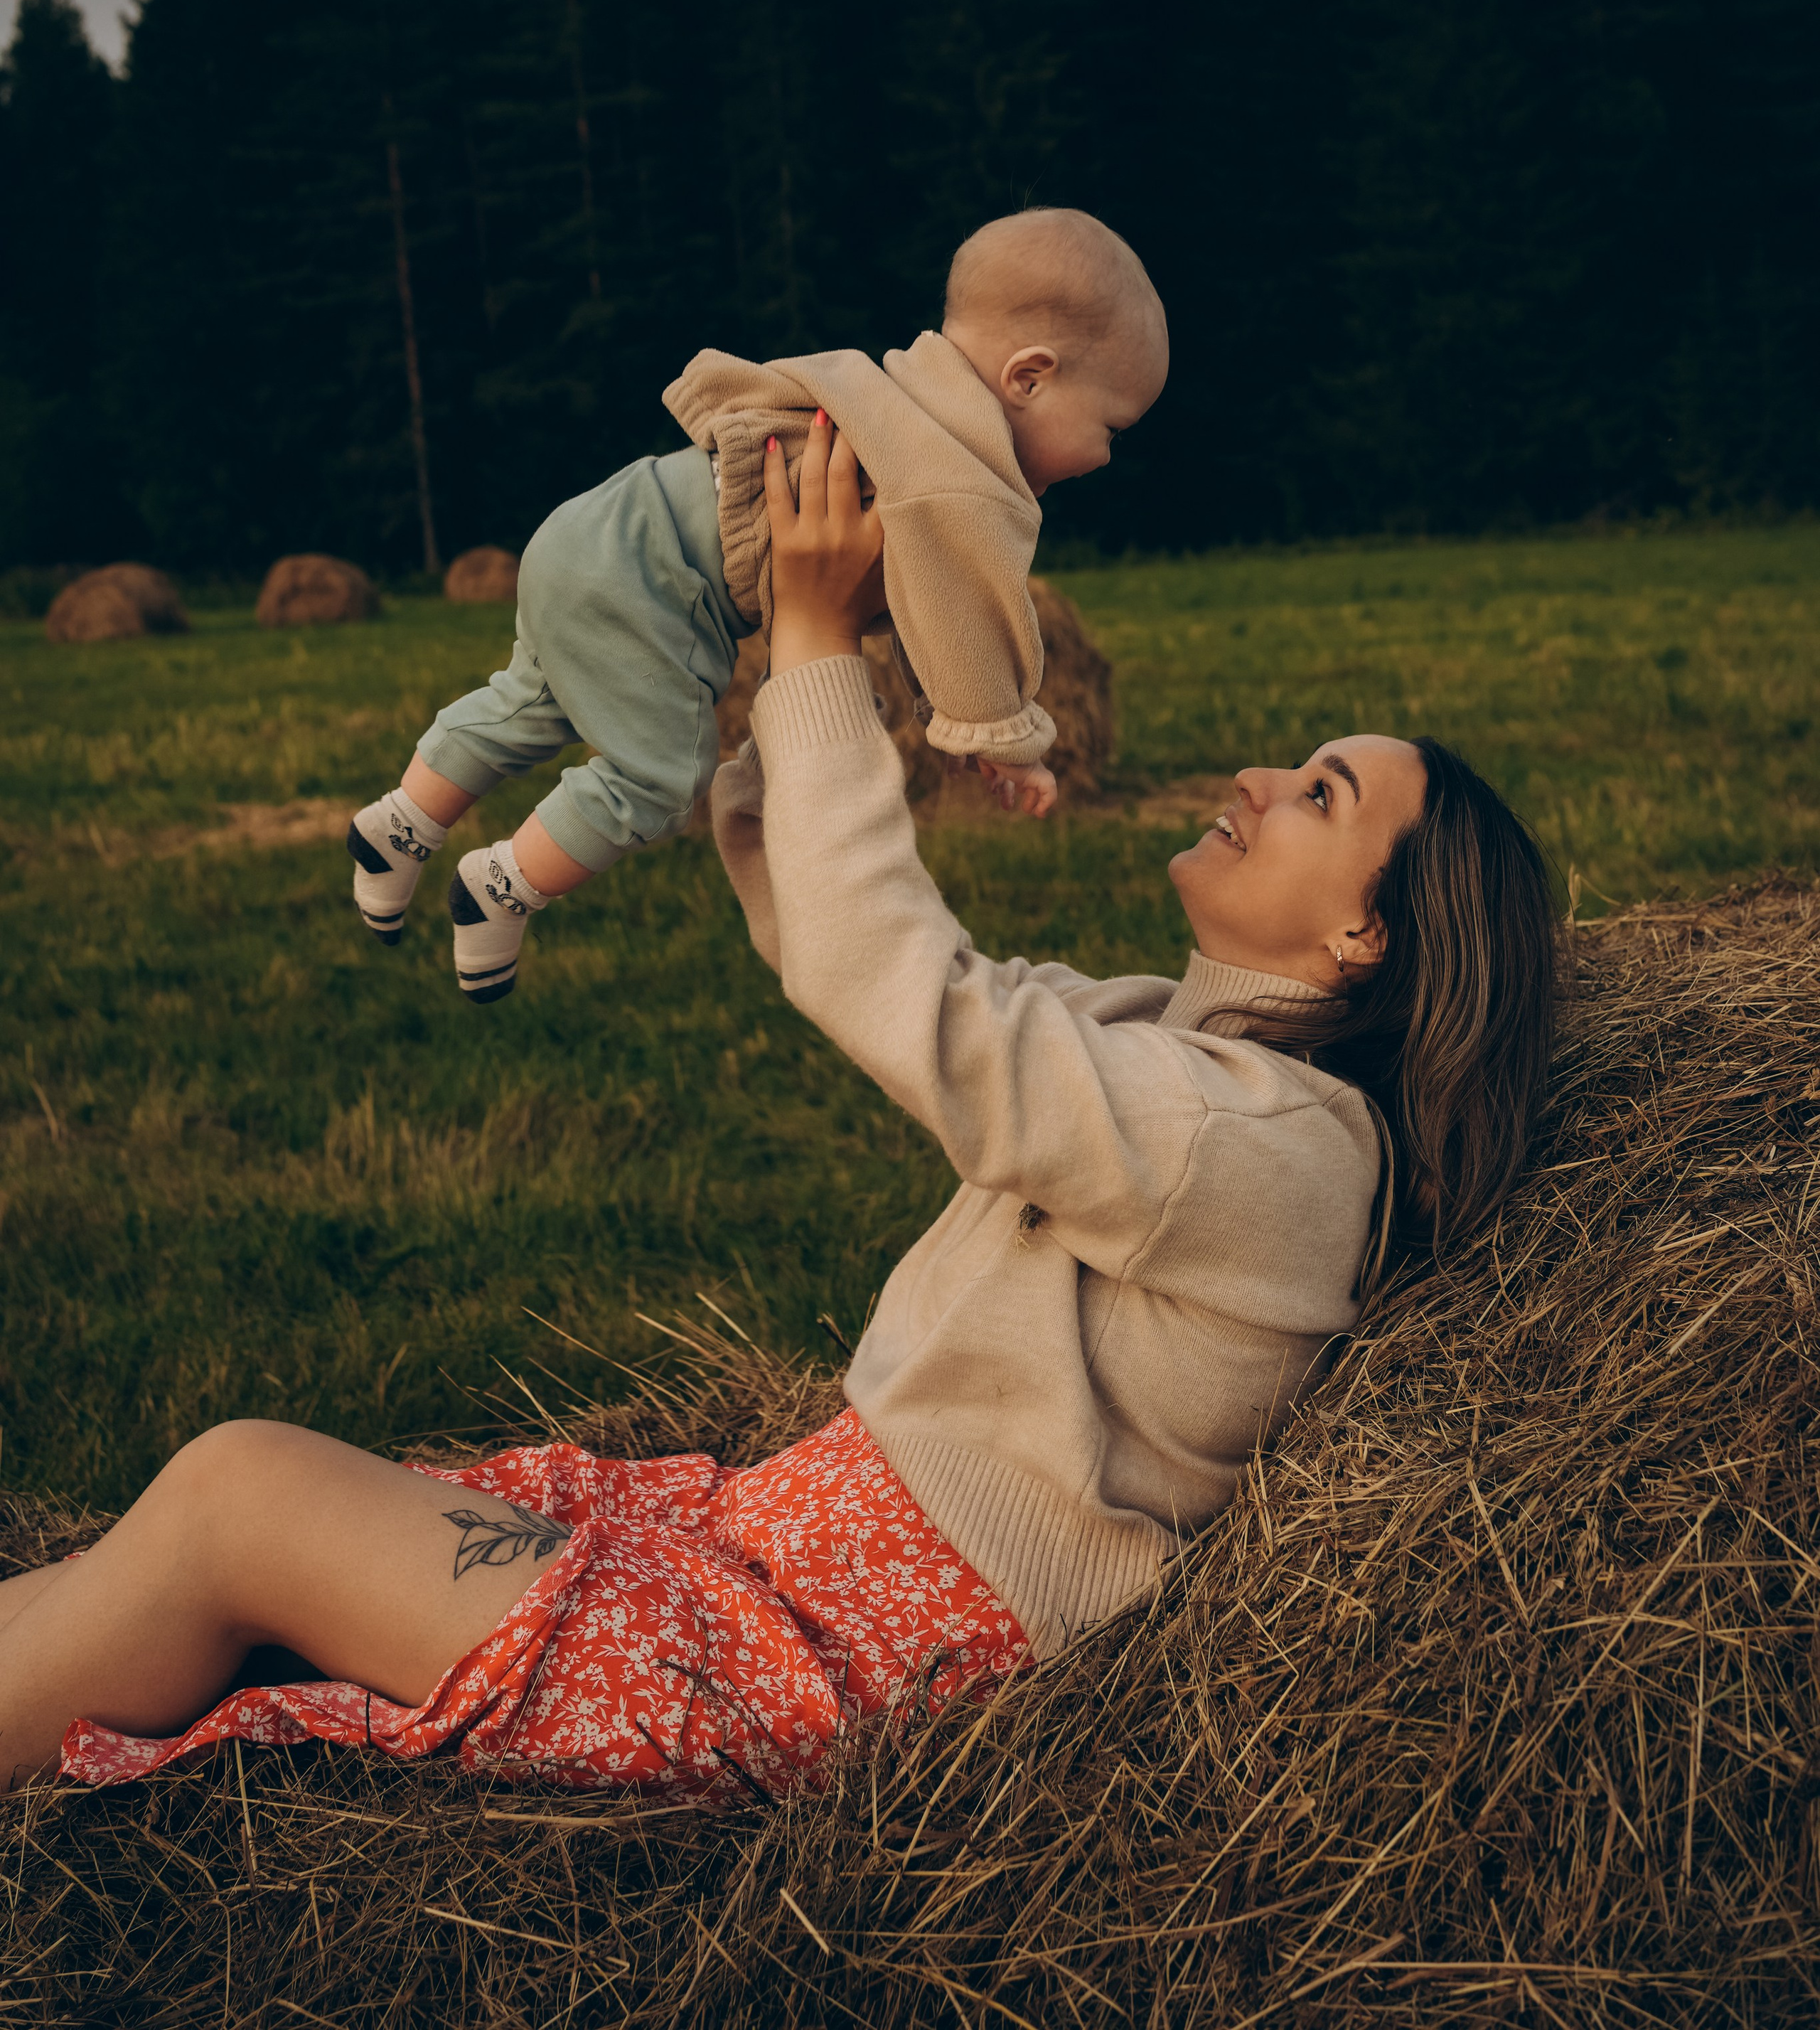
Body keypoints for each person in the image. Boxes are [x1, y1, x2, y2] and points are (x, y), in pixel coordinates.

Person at [0, 421, 1557, 1799]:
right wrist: (799, 678)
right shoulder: (1182, 1058)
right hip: (780, 1573)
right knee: (177, 1544)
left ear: (1364, 937)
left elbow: (912, 997)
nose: (1258, 772)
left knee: (240, 1496)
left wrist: (816, 643)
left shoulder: (1268, 1144)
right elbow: (870, 943)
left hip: (831, 1671)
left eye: (1321, 795)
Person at [347, 206, 1169, 1000]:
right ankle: (500, 887)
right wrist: (1005, 734)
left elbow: (925, 604)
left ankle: (398, 826)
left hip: (597, 528)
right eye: (1114, 428)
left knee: (531, 704)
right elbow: (969, 613)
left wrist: (944, 719)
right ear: (1029, 376)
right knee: (661, 779)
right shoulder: (956, 475)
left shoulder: (894, 406)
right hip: (651, 584)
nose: (1106, 458)